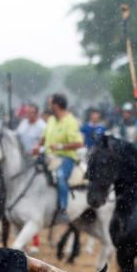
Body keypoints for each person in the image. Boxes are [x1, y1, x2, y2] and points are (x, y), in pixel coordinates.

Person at [38, 93, 84, 222]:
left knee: (60, 176)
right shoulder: (52, 120)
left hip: (65, 158)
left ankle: (63, 209)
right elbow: (44, 137)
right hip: (48, 156)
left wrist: (60, 147)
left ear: (56, 105)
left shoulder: (70, 121)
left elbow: (79, 143)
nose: (49, 106)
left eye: (50, 103)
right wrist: (38, 146)